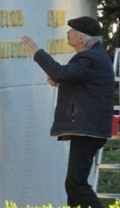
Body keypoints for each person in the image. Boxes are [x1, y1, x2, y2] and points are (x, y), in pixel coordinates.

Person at [21, 16, 114, 208]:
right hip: (90, 129)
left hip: (89, 130)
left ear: (81, 37)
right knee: (74, 184)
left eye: (71, 30)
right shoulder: (94, 56)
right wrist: (63, 81)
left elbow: (61, 72)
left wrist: (37, 51)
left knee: (76, 183)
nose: (67, 33)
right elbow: (76, 78)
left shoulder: (90, 58)